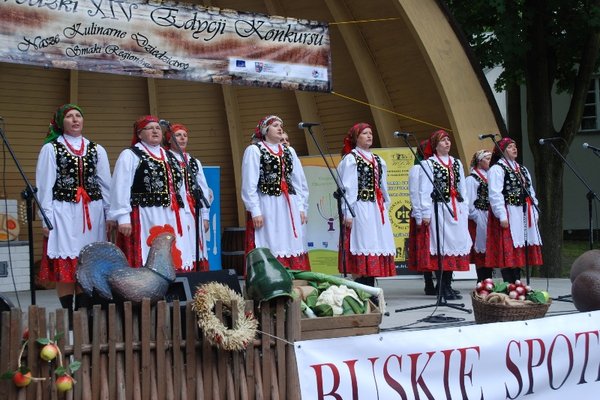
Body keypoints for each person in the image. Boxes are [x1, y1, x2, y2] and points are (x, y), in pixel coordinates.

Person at [36, 103, 112, 326]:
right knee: (66, 262)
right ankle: (68, 314)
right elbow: (45, 184)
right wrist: (46, 217)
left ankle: (83, 310)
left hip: (93, 212)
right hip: (63, 212)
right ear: (61, 122)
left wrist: (109, 214)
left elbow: (105, 184)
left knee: (87, 262)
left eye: (78, 115)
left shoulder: (96, 149)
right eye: (69, 116)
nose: (75, 119)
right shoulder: (51, 149)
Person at [109, 116, 186, 270]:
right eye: (149, 128)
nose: (155, 130)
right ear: (139, 134)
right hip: (144, 214)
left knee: (170, 253)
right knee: (146, 251)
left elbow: (180, 188)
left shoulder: (170, 156)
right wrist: (123, 217)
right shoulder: (131, 155)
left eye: (158, 128)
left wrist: (184, 215)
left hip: (170, 214)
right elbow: (120, 186)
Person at [241, 115, 311, 270]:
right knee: (270, 240)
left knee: (291, 242)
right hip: (267, 204)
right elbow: (249, 184)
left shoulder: (289, 151)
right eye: (275, 126)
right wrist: (255, 210)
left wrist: (301, 207)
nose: (280, 128)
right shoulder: (255, 150)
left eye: (281, 126)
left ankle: (295, 280)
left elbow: (299, 182)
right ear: (265, 130)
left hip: (289, 205)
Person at [337, 123, 396, 286]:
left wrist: (385, 205)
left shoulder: (378, 159)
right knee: (364, 244)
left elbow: (384, 186)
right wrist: (347, 212)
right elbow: (348, 188)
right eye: (364, 133)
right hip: (360, 208)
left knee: (375, 244)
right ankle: (364, 287)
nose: (369, 136)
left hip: (376, 208)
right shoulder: (351, 159)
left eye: (370, 133)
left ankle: (371, 286)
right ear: (356, 137)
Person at [418, 129, 472, 300]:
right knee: (441, 248)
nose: (447, 143)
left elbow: (462, 187)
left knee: (453, 248)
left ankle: (447, 285)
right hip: (438, 209)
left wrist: (464, 209)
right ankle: (441, 286)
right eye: (443, 140)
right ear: (435, 145)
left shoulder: (456, 163)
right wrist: (425, 212)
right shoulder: (429, 164)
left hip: (455, 209)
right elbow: (424, 190)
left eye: (448, 140)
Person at [486, 137, 542, 283]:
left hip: (523, 211)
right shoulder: (497, 169)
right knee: (508, 249)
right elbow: (495, 193)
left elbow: (531, 192)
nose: (514, 148)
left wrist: (534, 210)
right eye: (510, 147)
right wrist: (501, 215)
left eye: (515, 146)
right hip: (509, 212)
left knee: (520, 248)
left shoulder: (522, 169)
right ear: (502, 151)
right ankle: (509, 282)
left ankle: (517, 281)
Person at [163, 123, 211, 271]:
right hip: (176, 209)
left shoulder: (194, 162)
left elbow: (202, 188)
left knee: (195, 243)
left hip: (194, 208)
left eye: (185, 135)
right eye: (178, 135)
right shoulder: (165, 158)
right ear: (169, 139)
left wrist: (205, 216)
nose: (182, 138)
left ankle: (196, 275)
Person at [407, 140, 434, 294]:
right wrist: (418, 215)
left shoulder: (434, 166)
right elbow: (415, 193)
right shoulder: (417, 168)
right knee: (425, 249)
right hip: (422, 214)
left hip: (434, 213)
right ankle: (428, 282)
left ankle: (442, 283)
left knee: (435, 249)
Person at [465, 149, 492, 282]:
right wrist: (477, 217)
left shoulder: (491, 176)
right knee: (480, 248)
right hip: (478, 217)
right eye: (487, 159)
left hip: (490, 216)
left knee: (489, 247)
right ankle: (482, 279)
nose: (490, 161)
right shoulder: (472, 179)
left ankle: (488, 278)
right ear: (480, 161)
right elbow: (469, 203)